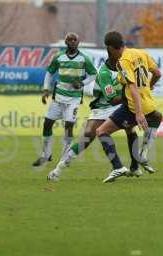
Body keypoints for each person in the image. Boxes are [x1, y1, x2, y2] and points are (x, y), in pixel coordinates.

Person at [46, 55, 142, 181]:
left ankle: (132, 167)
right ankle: (59, 168)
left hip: (120, 105)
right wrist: (128, 96)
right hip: (102, 107)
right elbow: (110, 98)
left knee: (130, 128)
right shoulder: (103, 72)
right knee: (87, 136)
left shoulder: (125, 68)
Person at [96, 31, 163, 183]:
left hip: (133, 106)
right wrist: (149, 86)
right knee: (156, 117)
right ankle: (142, 156)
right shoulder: (141, 53)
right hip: (148, 102)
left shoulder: (122, 61)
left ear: (111, 48)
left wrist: (138, 113)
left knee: (101, 132)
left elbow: (132, 87)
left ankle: (118, 167)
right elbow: (158, 73)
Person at [32, 32, 97, 167]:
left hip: (73, 98)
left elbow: (93, 74)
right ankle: (46, 154)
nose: (72, 42)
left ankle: (64, 157)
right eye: (70, 40)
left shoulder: (84, 58)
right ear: (66, 42)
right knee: (47, 123)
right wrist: (45, 89)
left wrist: (82, 83)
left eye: (75, 40)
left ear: (78, 42)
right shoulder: (59, 56)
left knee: (68, 126)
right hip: (58, 97)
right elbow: (50, 72)